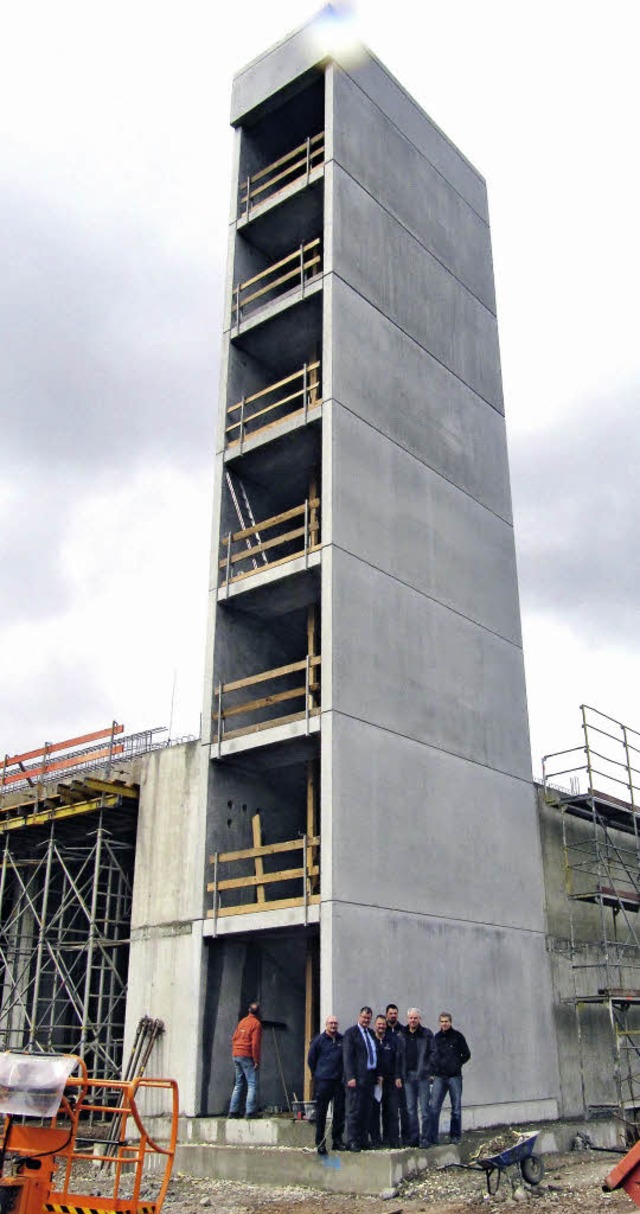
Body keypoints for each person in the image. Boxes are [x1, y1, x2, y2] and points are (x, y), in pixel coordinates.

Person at [427, 1012, 471, 1145]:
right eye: (442, 1021)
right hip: (440, 1077)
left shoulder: (458, 1037)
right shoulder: (436, 1038)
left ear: (450, 1022)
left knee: (456, 1108)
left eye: (446, 1021)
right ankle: (432, 1138)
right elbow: (432, 1056)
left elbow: (467, 1054)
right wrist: (433, 1072)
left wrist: (456, 1064)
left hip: (454, 1077)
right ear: (439, 1023)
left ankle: (455, 1137)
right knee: (434, 1107)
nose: (444, 1024)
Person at [307, 1014, 346, 1155]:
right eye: (331, 1023)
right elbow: (311, 1060)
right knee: (321, 1113)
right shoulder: (318, 1041)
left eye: (335, 1023)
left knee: (339, 1112)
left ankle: (337, 1140)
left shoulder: (342, 1040)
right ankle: (320, 1142)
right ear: (326, 1024)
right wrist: (317, 1075)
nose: (333, 1025)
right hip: (323, 1081)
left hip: (339, 1082)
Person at [342, 1006, 379, 1151]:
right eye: (364, 1017)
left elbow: (374, 1055)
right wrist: (350, 1076)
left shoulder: (371, 1033)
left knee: (366, 1111)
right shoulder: (351, 1033)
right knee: (354, 1111)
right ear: (359, 1017)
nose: (366, 1020)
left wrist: (377, 1076)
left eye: (369, 1018)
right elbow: (347, 1057)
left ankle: (363, 1139)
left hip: (369, 1078)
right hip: (355, 1079)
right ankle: (352, 1141)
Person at [401, 1007, 435, 1148]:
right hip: (408, 1076)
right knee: (410, 1109)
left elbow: (433, 1053)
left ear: (419, 1019)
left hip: (423, 1076)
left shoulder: (426, 1034)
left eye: (415, 1018)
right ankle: (414, 1139)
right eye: (410, 1018)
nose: (413, 1020)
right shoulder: (402, 1034)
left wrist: (429, 1070)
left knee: (425, 1110)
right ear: (407, 1019)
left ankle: (426, 1138)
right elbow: (399, 1055)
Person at [369, 1014, 402, 1148]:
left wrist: (397, 1076)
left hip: (390, 1081)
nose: (381, 1026)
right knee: (374, 1112)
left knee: (392, 1111)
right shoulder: (371, 1040)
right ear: (375, 1025)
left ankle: (392, 1140)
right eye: (379, 1024)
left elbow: (397, 1060)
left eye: (383, 1024)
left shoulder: (391, 1040)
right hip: (375, 1081)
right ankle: (376, 1140)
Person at [228, 1000, 262, 1118]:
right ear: (258, 1013)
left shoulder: (242, 1022)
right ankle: (250, 1112)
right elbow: (255, 1044)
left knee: (239, 1083)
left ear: (248, 1010)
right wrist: (256, 1060)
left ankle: (233, 1111)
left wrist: (236, 1052)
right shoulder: (256, 1024)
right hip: (246, 1055)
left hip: (236, 1054)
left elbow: (234, 1038)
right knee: (252, 1083)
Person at [385, 1003, 409, 1145]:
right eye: (391, 1013)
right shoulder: (383, 1030)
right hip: (388, 1077)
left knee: (405, 1109)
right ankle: (391, 1138)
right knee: (390, 1109)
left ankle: (406, 1137)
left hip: (403, 1075)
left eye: (395, 1013)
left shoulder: (403, 1031)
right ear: (387, 1014)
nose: (393, 1015)